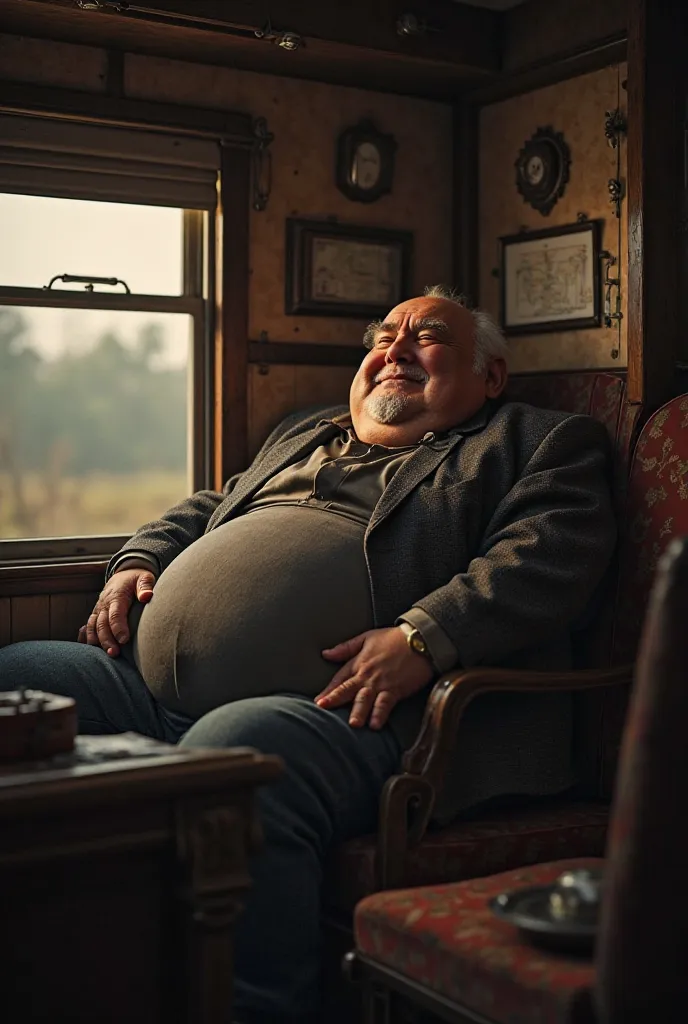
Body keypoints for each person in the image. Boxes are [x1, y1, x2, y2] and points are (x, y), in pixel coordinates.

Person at [0, 285, 616, 1024]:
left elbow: (546, 560)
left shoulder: (537, 442)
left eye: (426, 337)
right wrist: (140, 558)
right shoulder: (303, 433)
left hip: (366, 712)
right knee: (20, 678)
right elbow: (207, 507)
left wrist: (425, 635)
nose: (393, 350)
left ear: (489, 375)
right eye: (383, 336)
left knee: (238, 756)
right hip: (148, 690)